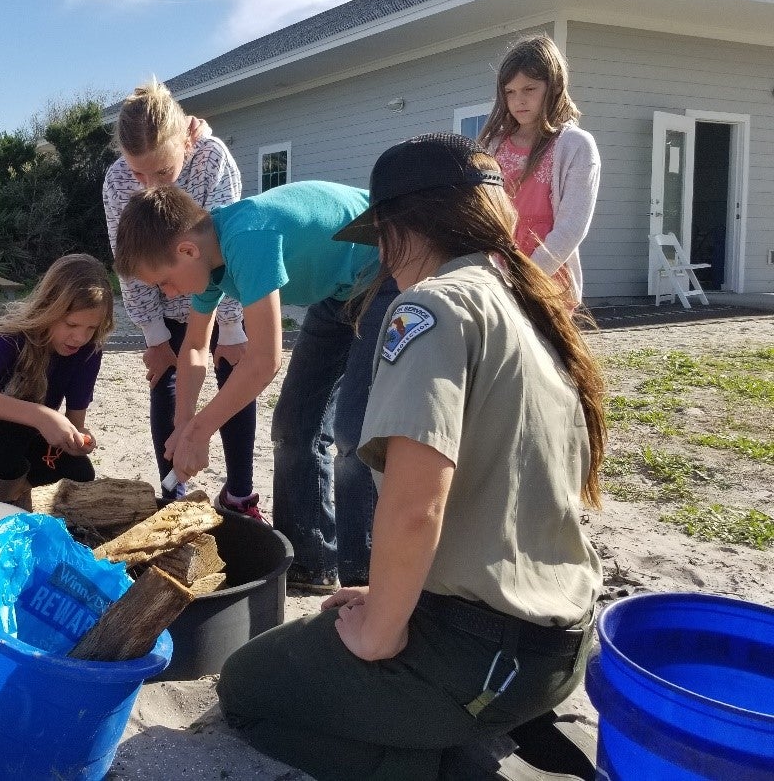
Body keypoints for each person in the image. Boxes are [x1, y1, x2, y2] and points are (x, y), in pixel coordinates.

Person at [217, 134, 606, 780]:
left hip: (482, 650)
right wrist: (394, 591)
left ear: (404, 227)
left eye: (380, 241)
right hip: (558, 643)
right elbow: (498, 495)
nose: (382, 262)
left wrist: (380, 628)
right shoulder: (525, 306)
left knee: (248, 688)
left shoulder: (431, 306)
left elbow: (414, 505)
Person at [114, 182, 398, 590]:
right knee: (293, 425)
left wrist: (202, 429)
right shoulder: (209, 259)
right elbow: (194, 347)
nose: (168, 294)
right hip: (336, 293)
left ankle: (364, 581)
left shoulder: (247, 239)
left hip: (382, 272)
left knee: (353, 431)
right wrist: (183, 426)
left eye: (164, 282)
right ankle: (311, 564)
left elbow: (265, 361)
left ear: (187, 250)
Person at [103, 79, 259, 516]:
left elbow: (227, 246)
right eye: (138, 173)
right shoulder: (117, 182)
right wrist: (153, 334)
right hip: (167, 303)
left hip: (221, 294)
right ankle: (172, 496)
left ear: (186, 143)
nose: (148, 185)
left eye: (163, 173)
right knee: (167, 386)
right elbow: (129, 262)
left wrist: (229, 327)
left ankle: (241, 493)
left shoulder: (212, 161)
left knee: (234, 379)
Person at [0, 253, 115, 508]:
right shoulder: (13, 339)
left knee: (80, 473)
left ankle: (17, 492)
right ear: (49, 309)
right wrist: (39, 415)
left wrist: (78, 439)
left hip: (27, 437)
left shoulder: (88, 353)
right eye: (72, 324)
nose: (80, 337)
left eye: (91, 328)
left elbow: (75, 423)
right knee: (19, 423)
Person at [478, 35, 601, 305]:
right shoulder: (493, 145)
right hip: (496, 275)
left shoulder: (575, 145)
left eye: (529, 89)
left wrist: (526, 279)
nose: (519, 100)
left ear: (554, 87)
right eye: (510, 92)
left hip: (549, 280)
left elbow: (571, 229)